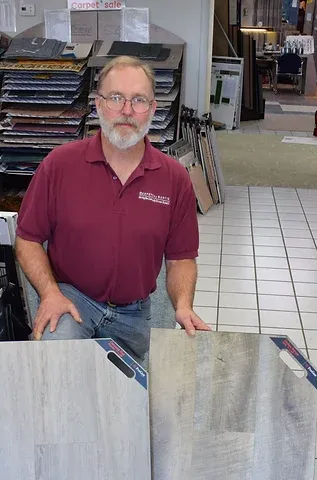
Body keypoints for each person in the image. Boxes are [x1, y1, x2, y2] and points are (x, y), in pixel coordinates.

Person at [15, 55, 210, 362]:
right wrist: (50, 293)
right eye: (116, 98)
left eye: (139, 100)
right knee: (55, 363)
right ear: (98, 104)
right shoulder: (59, 166)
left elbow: (181, 259)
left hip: (134, 313)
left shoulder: (174, 179)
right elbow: (27, 239)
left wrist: (183, 305)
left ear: (153, 109)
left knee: (124, 395)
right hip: (73, 300)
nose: (127, 111)